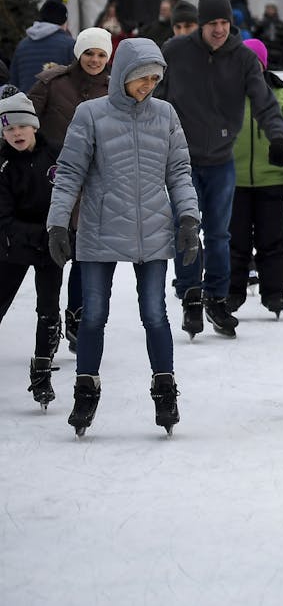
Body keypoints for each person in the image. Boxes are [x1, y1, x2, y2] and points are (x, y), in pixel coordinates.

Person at [46, 38, 202, 436]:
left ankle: (165, 389)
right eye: (141, 78)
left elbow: (179, 172)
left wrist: (188, 218)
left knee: (154, 314)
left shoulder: (165, 115)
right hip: (99, 230)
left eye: (154, 78)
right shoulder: (91, 114)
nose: (148, 85)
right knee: (94, 315)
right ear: (123, 77)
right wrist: (58, 223)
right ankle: (86, 389)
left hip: (152, 230)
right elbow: (68, 174)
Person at [159, 0, 283, 339]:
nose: (219, 29)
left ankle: (216, 297)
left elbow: (264, 102)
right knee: (186, 230)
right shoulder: (175, 52)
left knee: (219, 235)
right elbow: (152, 99)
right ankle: (190, 295)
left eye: (224, 23)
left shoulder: (243, 58)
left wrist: (277, 137)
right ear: (201, 23)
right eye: (212, 23)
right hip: (181, 160)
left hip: (220, 160)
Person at [29, 26, 113, 348]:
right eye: (89, 53)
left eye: (101, 54)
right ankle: (49, 318)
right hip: (54, 180)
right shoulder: (51, 84)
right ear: (78, 53)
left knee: (86, 252)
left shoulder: (113, 89)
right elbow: (28, 123)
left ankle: (78, 314)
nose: (94, 59)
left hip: (94, 183)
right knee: (54, 250)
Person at [227, 39, 283, 316]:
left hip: (272, 181)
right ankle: (231, 292)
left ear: (263, 65)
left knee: (271, 241)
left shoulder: (282, 98)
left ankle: (275, 293)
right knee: (234, 240)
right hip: (233, 182)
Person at [0, 90, 65, 408]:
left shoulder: (55, 154)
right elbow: (3, 220)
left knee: (49, 310)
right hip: (13, 247)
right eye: (8, 129)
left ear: (34, 126)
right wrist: (42, 234)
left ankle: (42, 371)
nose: (16, 134)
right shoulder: (3, 165)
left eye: (21, 126)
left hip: (50, 244)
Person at [10, 0, 73, 93]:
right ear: (64, 21)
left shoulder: (22, 45)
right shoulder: (70, 44)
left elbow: (14, 81)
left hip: (25, 103)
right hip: (56, 104)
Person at [254, 2, 283, 70]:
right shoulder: (261, 24)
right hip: (266, 52)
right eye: (268, 9)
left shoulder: (281, 24)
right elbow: (256, 37)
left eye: (272, 9)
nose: (270, 11)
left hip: (279, 53)